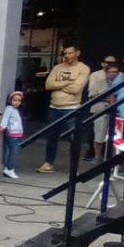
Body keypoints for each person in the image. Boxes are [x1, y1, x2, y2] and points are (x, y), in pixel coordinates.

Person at [39, 44, 90, 173]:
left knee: (74, 138)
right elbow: (48, 85)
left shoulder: (83, 68)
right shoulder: (58, 67)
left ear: (77, 53)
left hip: (71, 107)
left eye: (70, 53)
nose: (67, 56)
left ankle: (74, 167)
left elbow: (76, 88)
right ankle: (48, 163)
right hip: (54, 107)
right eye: (65, 53)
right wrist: (68, 82)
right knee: (51, 137)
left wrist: (57, 85)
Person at [85, 62, 120, 162]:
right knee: (99, 136)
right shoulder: (99, 82)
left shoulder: (121, 83)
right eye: (110, 72)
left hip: (117, 113)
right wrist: (108, 98)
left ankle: (113, 158)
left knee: (116, 137)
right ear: (106, 72)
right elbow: (91, 96)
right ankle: (97, 156)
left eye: (115, 72)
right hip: (100, 111)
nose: (113, 74)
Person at [0, 91, 24, 179]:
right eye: (15, 100)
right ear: (10, 100)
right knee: (13, 152)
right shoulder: (9, 109)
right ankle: (9, 168)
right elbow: (5, 119)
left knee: (13, 151)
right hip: (12, 134)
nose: (17, 102)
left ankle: (9, 168)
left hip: (16, 134)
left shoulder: (15, 110)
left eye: (19, 101)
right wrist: (2, 127)